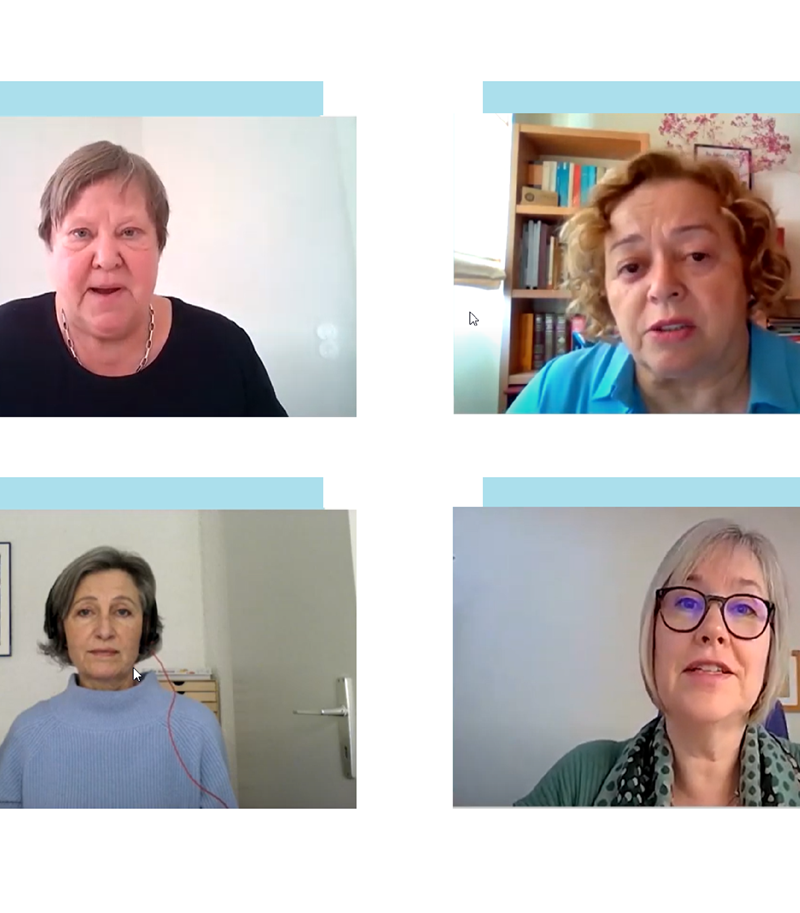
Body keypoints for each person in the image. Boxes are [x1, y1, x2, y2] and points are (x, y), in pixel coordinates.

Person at [515, 519, 800, 806]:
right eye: (687, 603)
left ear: (771, 648)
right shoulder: (580, 781)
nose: (713, 629)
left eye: (745, 608)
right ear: (653, 634)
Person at [0, 141, 287, 416]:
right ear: (50, 244)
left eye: (129, 232)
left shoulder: (224, 350)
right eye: (81, 233)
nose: (106, 258)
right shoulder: (7, 341)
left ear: (159, 244)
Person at [508, 151, 800, 414]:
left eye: (697, 256)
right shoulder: (556, 394)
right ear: (604, 291)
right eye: (631, 266)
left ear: (749, 270)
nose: (661, 287)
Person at [0, 546, 237, 808]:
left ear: (146, 628)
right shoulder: (27, 734)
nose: (104, 630)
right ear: (61, 629)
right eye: (85, 612)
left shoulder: (197, 729)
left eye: (122, 611)